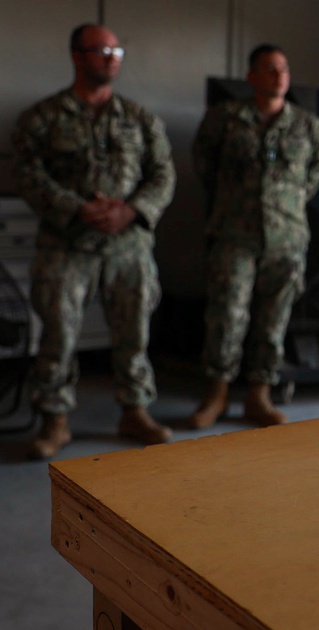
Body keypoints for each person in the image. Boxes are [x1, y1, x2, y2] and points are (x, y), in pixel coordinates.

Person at [12, 24, 177, 459]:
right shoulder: (42, 118)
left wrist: (130, 210)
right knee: (59, 332)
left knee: (133, 330)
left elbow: (163, 173)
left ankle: (135, 410)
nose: (111, 57)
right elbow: (25, 173)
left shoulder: (139, 119)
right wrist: (76, 208)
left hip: (128, 243)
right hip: (67, 242)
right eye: (101, 50)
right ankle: (54, 420)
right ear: (77, 56)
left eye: (116, 49)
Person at [189, 44, 319, 429]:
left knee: (273, 322)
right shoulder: (224, 119)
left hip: (286, 239)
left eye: (283, 69)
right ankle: (216, 393)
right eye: (269, 69)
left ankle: (259, 394)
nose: (279, 76)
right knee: (226, 316)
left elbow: (312, 178)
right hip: (235, 234)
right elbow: (205, 166)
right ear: (251, 76)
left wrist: (284, 207)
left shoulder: (309, 126)